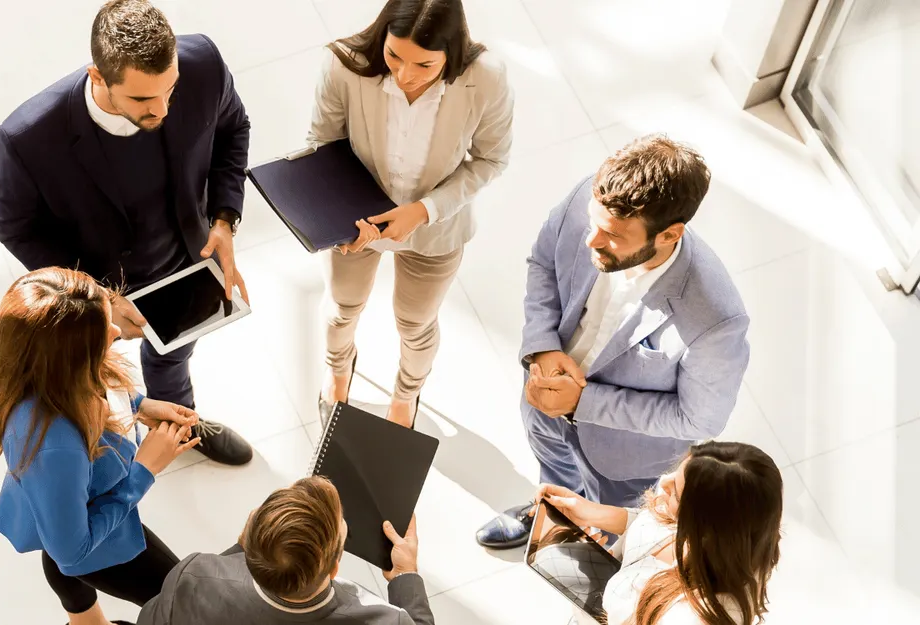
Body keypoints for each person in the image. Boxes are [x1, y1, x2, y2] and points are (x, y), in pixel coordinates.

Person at [0, 0, 254, 466]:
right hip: (93, 282)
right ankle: (102, 453)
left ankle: (180, 422)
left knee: (172, 355)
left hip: (185, 260)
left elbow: (234, 128)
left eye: (169, 91)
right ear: (98, 77)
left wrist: (224, 219)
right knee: (86, 384)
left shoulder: (204, 66)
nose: (163, 109)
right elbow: (14, 225)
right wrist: (96, 297)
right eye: (142, 100)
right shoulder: (28, 138)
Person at [476, 134, 750, 549]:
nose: (591, 241)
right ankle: (549, 517)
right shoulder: (594, 203)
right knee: (553, 473)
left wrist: (581, 404)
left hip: (622, 459)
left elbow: (700, 420)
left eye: (614, 237)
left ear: (669, 235)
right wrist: (544, 345)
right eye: (593, 224)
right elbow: (543, 264)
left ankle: (591, 546)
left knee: (605, 534)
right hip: (543, 400)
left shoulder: (715, 318)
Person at [310, 0, 514, 427]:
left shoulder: (487, 78)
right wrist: (338, 217)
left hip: (436, 228)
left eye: (424, 64)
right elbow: (322, 147)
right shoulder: (344, 66)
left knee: (415, 322)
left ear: (450, 53)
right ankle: (337, 369)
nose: (405, 75)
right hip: (356, 221)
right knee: (343, 307)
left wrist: (423, 211)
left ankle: (406, 394)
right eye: (394, 55)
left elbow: (490, 160)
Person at [0, 267, 205, 625]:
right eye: (105, 333)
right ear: (71, 361)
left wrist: (140, 406)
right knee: (188, 603)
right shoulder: (54, 449)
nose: (116, 332)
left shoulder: (55, 373)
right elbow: (70, 551)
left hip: (70, 511)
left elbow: (103, 388)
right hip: (95, 544)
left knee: (56, 544)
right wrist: (143, 471)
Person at [538, 441, 783, 625]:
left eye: (676, 491)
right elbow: (654, 524)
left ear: (705, 527)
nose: (663, 481)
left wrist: (560, 541)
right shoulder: (743, 538)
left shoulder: (687, 617)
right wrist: (591, 513)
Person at [137, 476, 433, 625]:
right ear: (334, 568)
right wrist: (405, 575)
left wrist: (242, 549)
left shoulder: (190, 580)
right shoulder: (385, 620)